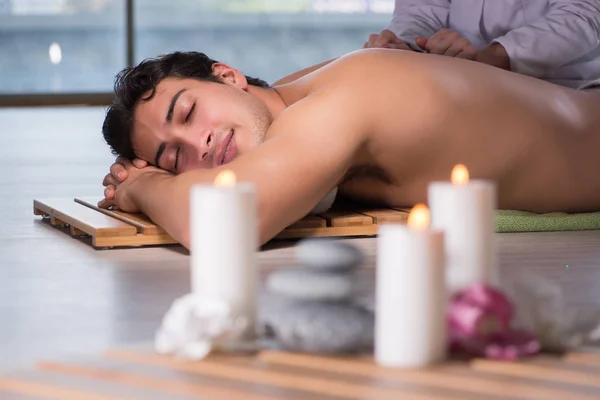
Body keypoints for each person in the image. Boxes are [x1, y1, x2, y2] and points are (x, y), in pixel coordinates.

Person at [99, 49, 600, 249]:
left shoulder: (331, 108)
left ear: (227, 75)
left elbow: (225, 222)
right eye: (173, 158)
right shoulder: (291, 100)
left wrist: (146, 185)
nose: (198, 145)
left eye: (187, 114)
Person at [364, 0, 600, 89]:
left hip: (564, 87)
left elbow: (583, 15)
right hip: (458, 83)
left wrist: (488, 59)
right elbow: (421, 13)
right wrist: (402, 47)